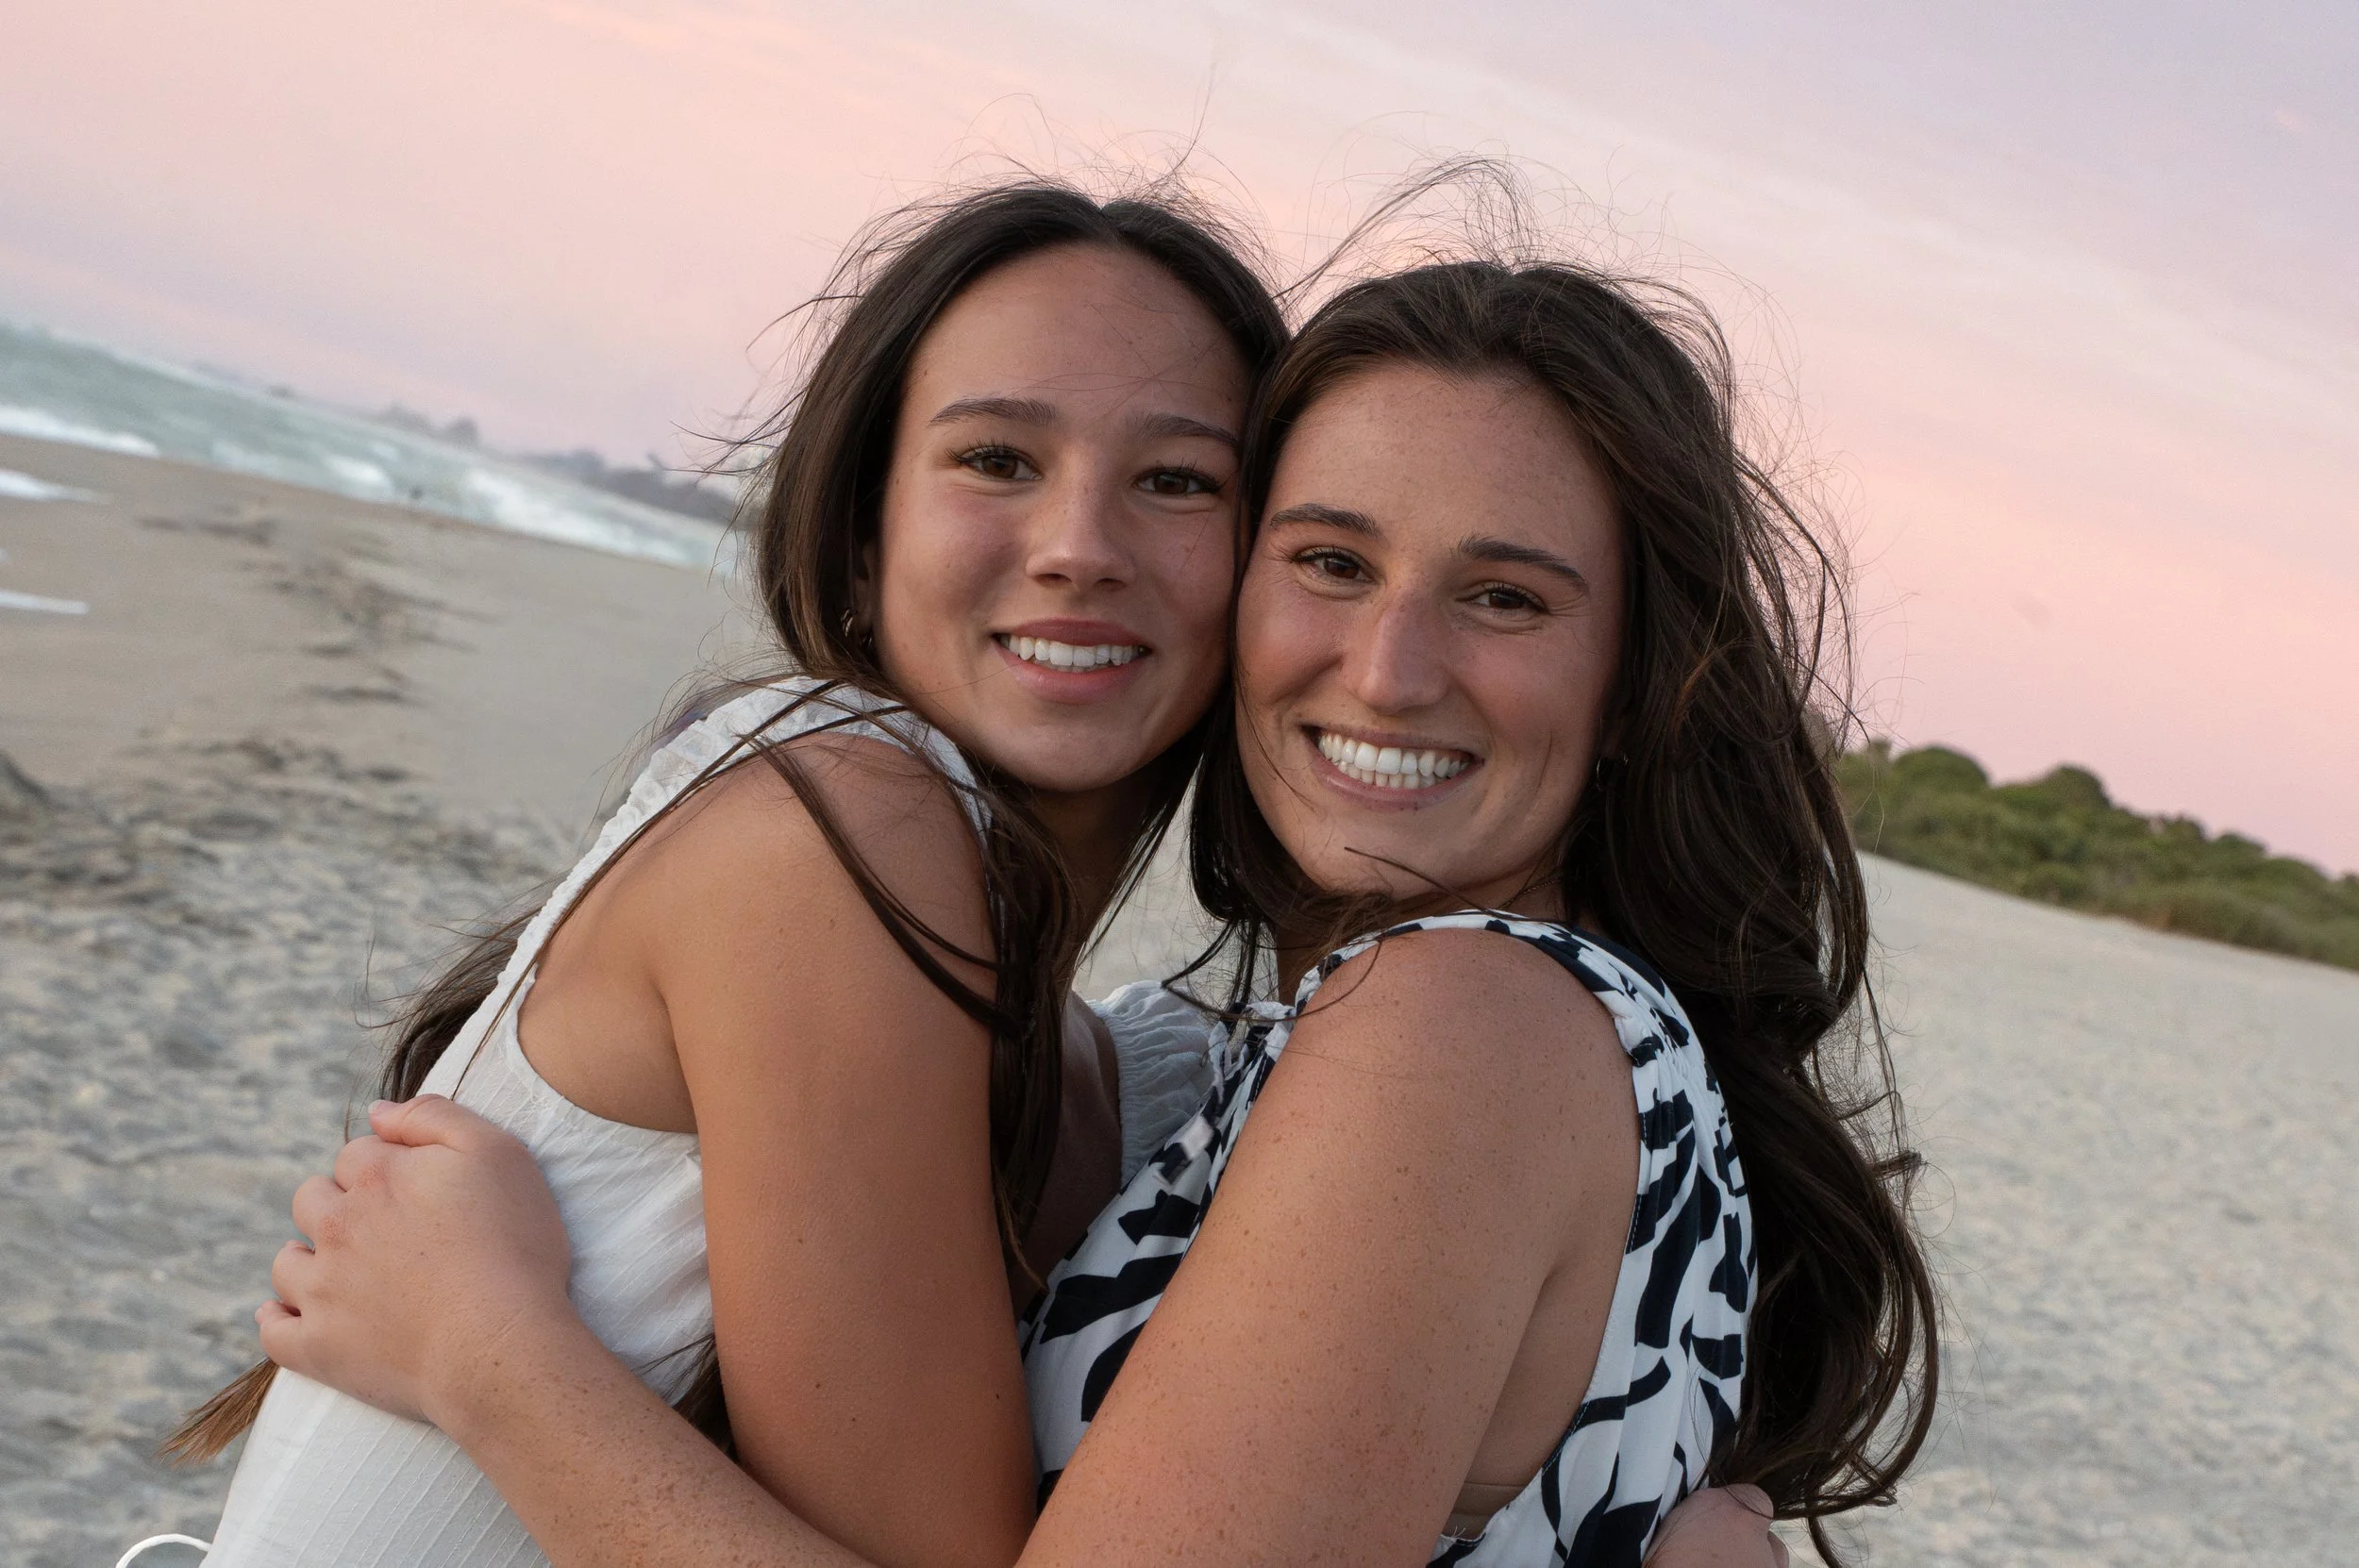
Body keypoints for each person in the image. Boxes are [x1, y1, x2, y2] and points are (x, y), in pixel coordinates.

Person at [259, 249, 1935, 1566]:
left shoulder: (1458, 1023)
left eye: (1504, 597)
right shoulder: (1256, 1068)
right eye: (1332, 560)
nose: (1390, 666)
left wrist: (493, 1360)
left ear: (1643, 676)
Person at [162, 177, 1286, 1568]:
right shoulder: (842, 818)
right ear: (866, 523)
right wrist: (490, 1360)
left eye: (1178, 480)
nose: (1078, 546)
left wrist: (487, 1349)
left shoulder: (1120, 1080)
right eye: (995, 459)